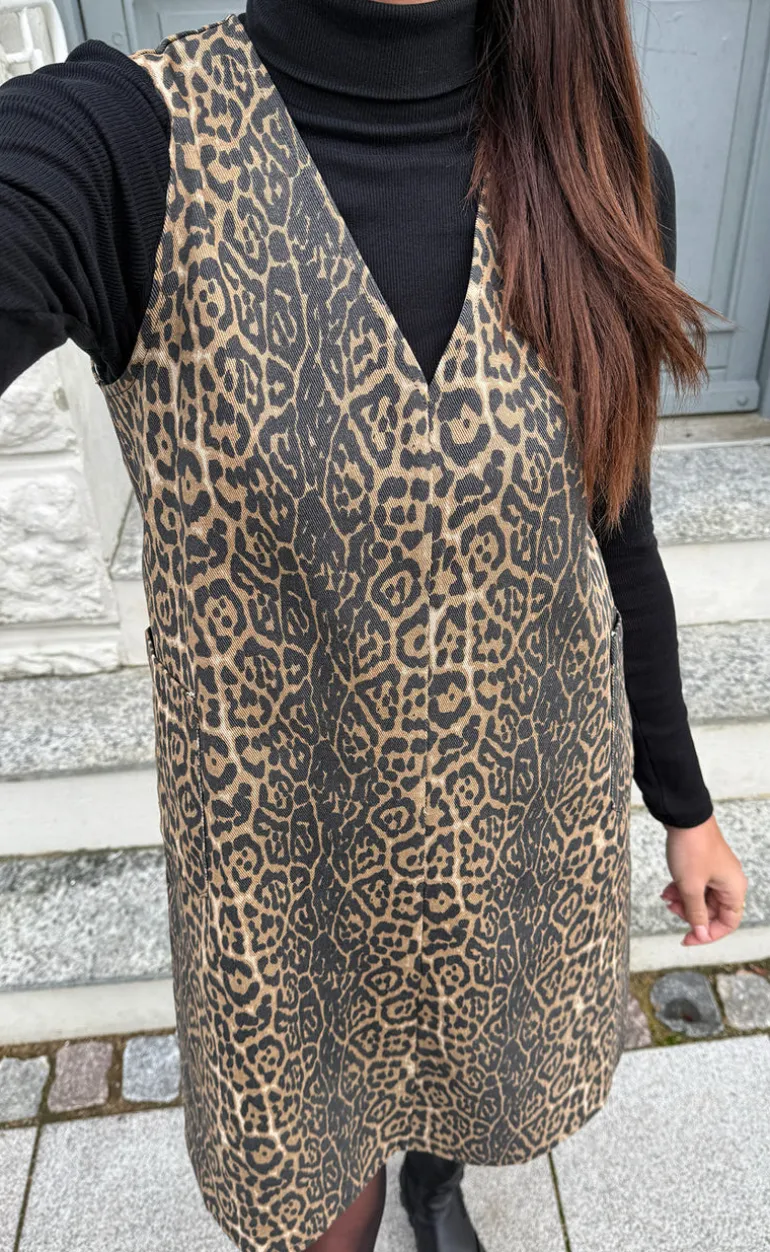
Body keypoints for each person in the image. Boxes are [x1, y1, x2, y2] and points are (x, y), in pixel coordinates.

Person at [0, 1, 749, 1251]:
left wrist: (684, 805)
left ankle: (435, 1185)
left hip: (516, 811)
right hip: (285, 865)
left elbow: (616, 529)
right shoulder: (130, 149)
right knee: (310, 1174)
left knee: (470, 1065)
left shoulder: (597, 167)